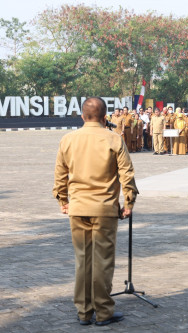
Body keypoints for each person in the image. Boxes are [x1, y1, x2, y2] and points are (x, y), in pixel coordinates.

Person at [53, 97, 138, 326]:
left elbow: (60, 174)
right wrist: (128, 202)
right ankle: (103, 312)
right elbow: (126, 174)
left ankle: (84, 312)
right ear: (104, 117)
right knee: (103, 261)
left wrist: (63, 199)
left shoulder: (68, 139)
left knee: (83, 260)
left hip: (78, 207)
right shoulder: (114, 139)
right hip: (104, 209)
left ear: (83, 116)